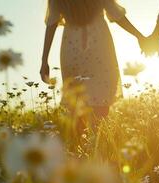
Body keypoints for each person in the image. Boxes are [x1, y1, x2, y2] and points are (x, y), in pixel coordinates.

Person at [40, 0, 145, 131]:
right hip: (99, 44)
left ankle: (81, 146)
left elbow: (51, 24)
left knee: (76, 103)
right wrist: (140, 36)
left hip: (72, 47)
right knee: (100, 100)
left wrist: (44, 60)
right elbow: (117, 15)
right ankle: (97, 143)